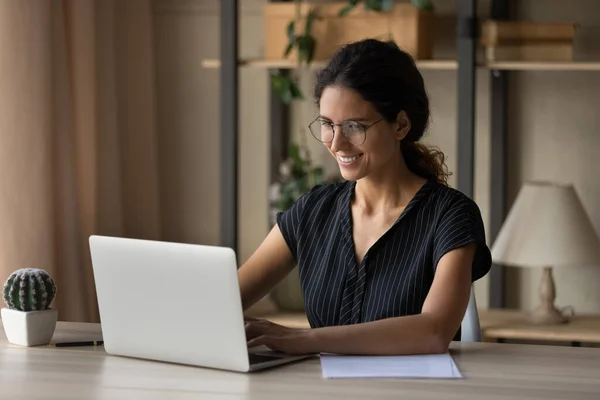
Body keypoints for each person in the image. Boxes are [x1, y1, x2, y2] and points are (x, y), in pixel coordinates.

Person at [239, 38, 492, 356]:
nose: (337, 143)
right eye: (328, 124)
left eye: (354, 126)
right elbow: (226, 301)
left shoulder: (451, 215)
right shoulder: (313, 210)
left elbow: (434, 331)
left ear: (400, 125)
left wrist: (303, 339)